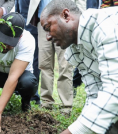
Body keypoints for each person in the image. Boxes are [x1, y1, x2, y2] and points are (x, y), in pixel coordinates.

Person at [40, 0, 118, 133]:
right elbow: (94, 94)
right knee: (106, 126)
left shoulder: (106, 26)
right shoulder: (74, 51)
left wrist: (71, 132)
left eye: (48, 28)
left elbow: (115, 91)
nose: (47, 37)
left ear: (65, 15)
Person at [27, 0, 73, 114]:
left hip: (65, 22)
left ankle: (66, 105)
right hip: (44, 22)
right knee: (44, 64)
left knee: (65, 64)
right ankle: (46, 102)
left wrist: (79, 17)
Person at [15, 0, 41, 104]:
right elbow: (18, 8)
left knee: (34, 63)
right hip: (21, 29)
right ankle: (18, 91)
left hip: (34, 28)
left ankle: (33, 95)